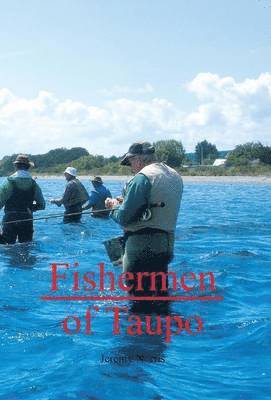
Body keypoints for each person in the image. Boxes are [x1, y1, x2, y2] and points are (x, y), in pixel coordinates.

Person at [105, 142, 183, 296]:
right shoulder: (174, 175)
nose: (131, 168)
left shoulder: (142, 177)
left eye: (130, 163)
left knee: (138, 302)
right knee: (160, 296)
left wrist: (113, 206)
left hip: (141, 248)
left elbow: (124, 218)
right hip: (165, 245)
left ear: (137, 160)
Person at [0, 154, 45, 244]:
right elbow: (42, 205)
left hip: (10, 218)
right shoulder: (33, 184)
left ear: (16, 166)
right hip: (27, 218)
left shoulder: (9, 182)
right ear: (28, 167)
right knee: (26, 247)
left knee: (7, 246)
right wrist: (30, 208)